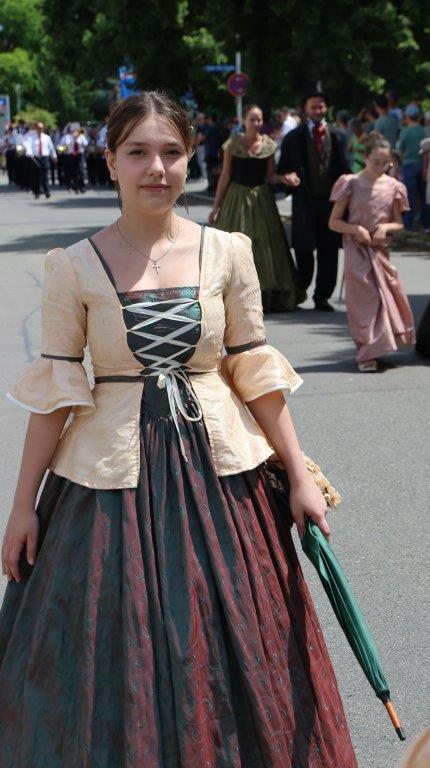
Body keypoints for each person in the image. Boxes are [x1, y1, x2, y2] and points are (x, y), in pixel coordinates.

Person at [0, 90, 358, 767]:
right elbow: (55, 396)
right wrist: (23, 507)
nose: (156, 168)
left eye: (171, 152)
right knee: (117, 646)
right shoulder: (72, 265)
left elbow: (253, 371)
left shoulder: (228, 252)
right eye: (138, 152)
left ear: (192, 158)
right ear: (111, 161)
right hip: (107, 484)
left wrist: (300, 474)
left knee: (236, 644)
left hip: (221, 478)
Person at [329, 133, 415, 372]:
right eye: (376, 162)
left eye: (386, 163)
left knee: (386, 296)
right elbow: (334, 222)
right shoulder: (351, 183)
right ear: (365, 157)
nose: (381, 167)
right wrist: (356, 229)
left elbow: (399, 223)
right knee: (364, 301)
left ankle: (378, 347)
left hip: (380, 250)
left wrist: (385, 228)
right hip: (356, 250)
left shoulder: (393, 186)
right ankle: (366, 354)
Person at [209, 103, 305, 312]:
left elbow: (270, 176)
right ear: (244, 120)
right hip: (236, 198)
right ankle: (234, 294)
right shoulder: (233, 145)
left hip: (262, 198)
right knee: (236, 245)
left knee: (265, 245)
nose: (256, 123)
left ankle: (265, 293)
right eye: (252, 119)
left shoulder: (268, 144)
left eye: (259, 119)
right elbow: (225, 176)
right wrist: (216, 207)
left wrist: (285, 178)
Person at [277, 90, 349, 311]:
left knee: (329, 251)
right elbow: (282, 169)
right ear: (305, 110)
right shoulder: (293, 138)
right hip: (304, 201)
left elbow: (347, 167)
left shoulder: (338, 136)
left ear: (326, 108)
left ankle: (322, 297)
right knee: (303, 249)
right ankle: (301, 291)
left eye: (321, 106)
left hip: (331, 203)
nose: (318, 110)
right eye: (313, 107)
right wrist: (287, 177)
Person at [397, 104, 430, 231]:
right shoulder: (425, 130)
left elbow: (400, 151)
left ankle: (408, 225)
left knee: (409, 197)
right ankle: (426, 225)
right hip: (423, 165)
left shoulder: (405, 132)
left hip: (408, 166)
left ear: (407, 117)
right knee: (424, 197)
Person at [25, 122, 57, 199]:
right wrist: (30, 153)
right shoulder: (31, 137)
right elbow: (28, 146)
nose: (40, 129)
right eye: (39, 128)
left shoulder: (47, 137)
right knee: (36, 176)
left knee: (45, 175)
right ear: (36, 128)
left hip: (44, 157)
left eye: (42, 128)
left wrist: (54, 156)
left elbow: (51, 148)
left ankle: (47, 191)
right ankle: (37, 192)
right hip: (35, 158)